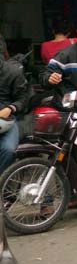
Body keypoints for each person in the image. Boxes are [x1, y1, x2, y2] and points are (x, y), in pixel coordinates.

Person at [0, 43, 28, 173]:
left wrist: (11, 108)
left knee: (8, 149)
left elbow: (23, 99)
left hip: (8, 121)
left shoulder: (14, 72)